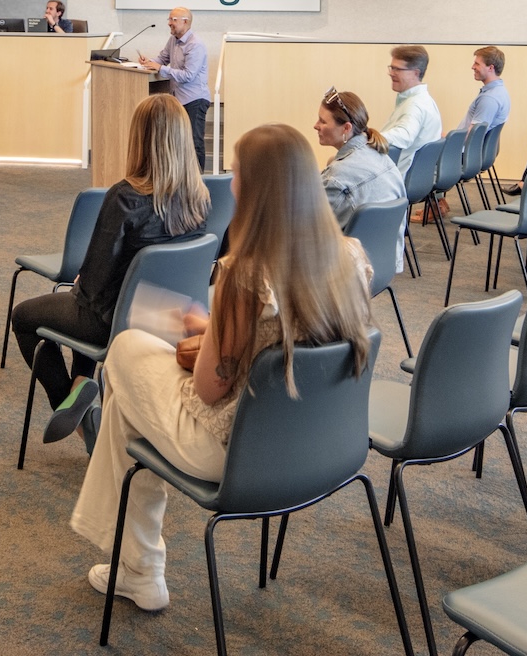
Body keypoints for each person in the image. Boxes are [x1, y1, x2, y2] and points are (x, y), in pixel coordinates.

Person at [70, 123, 374, 614]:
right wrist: (218, 330)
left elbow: (211, 390)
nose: (231, 181)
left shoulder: (246, 274)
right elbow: (287, 338)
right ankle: (134, 568)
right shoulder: (351, 258)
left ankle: (140, 569)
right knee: (127, 408)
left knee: (126, 350)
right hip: (318, 442)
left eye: (236, 171)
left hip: (238, 451)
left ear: (257, 187)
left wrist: (204, 340)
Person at [12, 93, 211, 442]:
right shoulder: (199, 197)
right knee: (85, 303)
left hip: (114, 322)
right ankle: (82, 384)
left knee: (27, 316)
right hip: (170, 319)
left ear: (140, 139)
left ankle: (72, 408)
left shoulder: (125, 197)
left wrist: (81, 280)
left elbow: (92, 285)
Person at [316, 89, 406, 271]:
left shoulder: (337, 179)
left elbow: (306, 227)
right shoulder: (381, 156)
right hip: (385, 264)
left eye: (322, 121)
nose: (316, 125)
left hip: (348, 275)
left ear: (346, 128)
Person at [138, 7, 211, 165]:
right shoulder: (173, 40)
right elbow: (162, 58)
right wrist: (149, 62)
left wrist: (160, 68)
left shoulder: (195, 45)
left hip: (194, 100)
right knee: (178, 144)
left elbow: (188, 75)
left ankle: (198, 184)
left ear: (185, 22)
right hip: (178, 100)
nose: (169, 23)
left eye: (173, 20)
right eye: (169, 19)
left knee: (194, 143)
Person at [381, 46, 443, 171]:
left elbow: (404, 135)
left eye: (397, 69)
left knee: (337, 163)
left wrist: (369, 137)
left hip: (400, 175)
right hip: (418, 175)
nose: (391, 73)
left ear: (416, 73)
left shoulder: (415, 105)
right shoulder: (424, 100)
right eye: (392, 68)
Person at [462, 47, 511, 134]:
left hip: (459, 146)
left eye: (477, 64)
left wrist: (444, 136)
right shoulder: (501, 92)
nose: (473, 67)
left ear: (490, 68)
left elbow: (473, 136)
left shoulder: (489, 98)